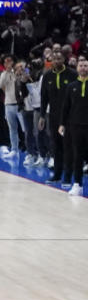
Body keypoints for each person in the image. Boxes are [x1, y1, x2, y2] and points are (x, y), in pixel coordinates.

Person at [41, 52, 76, 184]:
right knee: (56, 146)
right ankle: (56, 174)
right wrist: (42, 116)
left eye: (59, 59)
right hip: (53, 116)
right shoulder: (47, 76)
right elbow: (44, 97)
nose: (56, 61)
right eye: (54, 59)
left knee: (67, 146)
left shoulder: (72, 74)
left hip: (68, 117)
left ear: (64, 60)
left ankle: (67, 176)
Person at [59, 57, 88, 197]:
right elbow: (66, 107)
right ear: (77, 68)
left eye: (86, 65)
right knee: (77, 156)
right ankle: (77, 184)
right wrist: (62, 124)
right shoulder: (71, 86)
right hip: (75, 126)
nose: (83, 68)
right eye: (81, 65)